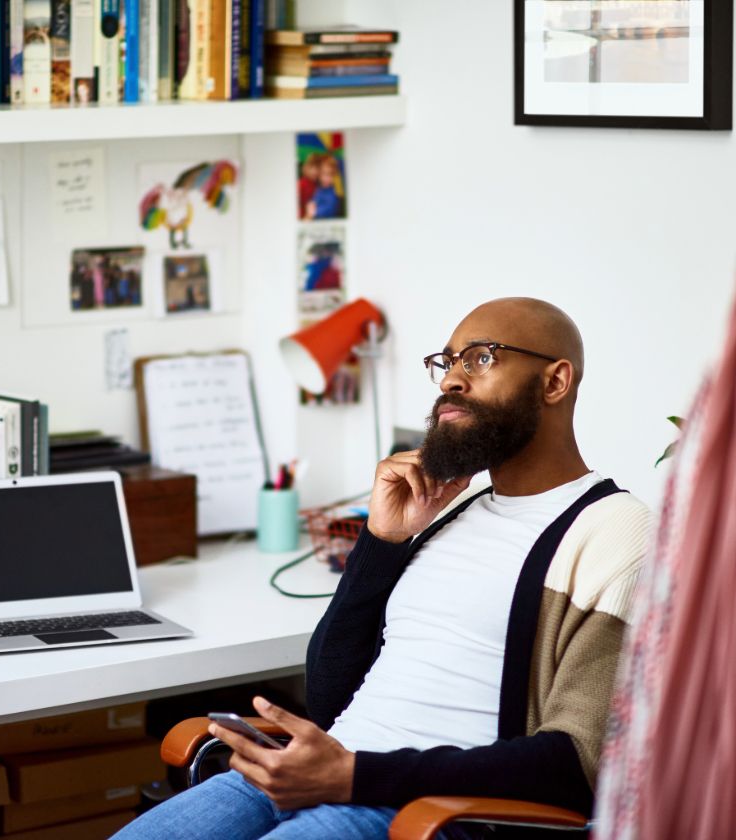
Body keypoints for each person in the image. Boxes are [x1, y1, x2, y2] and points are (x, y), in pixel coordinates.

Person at [114, 297, 651, 840]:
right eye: (447, 363)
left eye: (481, 358)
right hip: (319, 773)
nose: (451, 381)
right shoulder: (456, 514)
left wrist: (354, 776)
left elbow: (578, 761)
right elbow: (329, 698)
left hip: (425, 810)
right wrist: (381, 541)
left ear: (554, 382)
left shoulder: (615, 531)